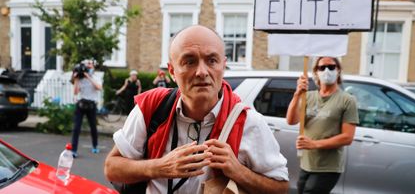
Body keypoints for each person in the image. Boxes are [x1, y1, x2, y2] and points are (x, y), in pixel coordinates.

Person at [104, 25, 289, 194]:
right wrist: (160, 167)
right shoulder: (152, 107)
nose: (202, 72)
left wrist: (238, 171)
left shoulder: (249, 122)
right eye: (189, 61)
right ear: (172, 71)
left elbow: (280, 188)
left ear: (223, 66)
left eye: (212, 60)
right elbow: (111, 168)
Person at [286, 56, 359, 194]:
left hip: (328, 167)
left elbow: (347, 137)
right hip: (306, 163)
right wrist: (297, 94)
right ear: (316, 72)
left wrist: (313, 144)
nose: (327, 71)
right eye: (322, 67)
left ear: (338, 71)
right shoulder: (308, 96)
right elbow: (291, 120)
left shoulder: (347, 100)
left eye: (331, 67)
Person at [71, 59, 102, 158]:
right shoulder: (80, 78)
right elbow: (76, 92)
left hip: (91, 105)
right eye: (86, 64)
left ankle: (95, 146)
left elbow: (99, 87)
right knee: (76, 128)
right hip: (81, 105)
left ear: (93, 66)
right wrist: (75, 80)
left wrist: (89, 77)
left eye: (90, 64)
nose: (88, 65)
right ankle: (73, 150)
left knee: (93, 127)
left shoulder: (96, 77)